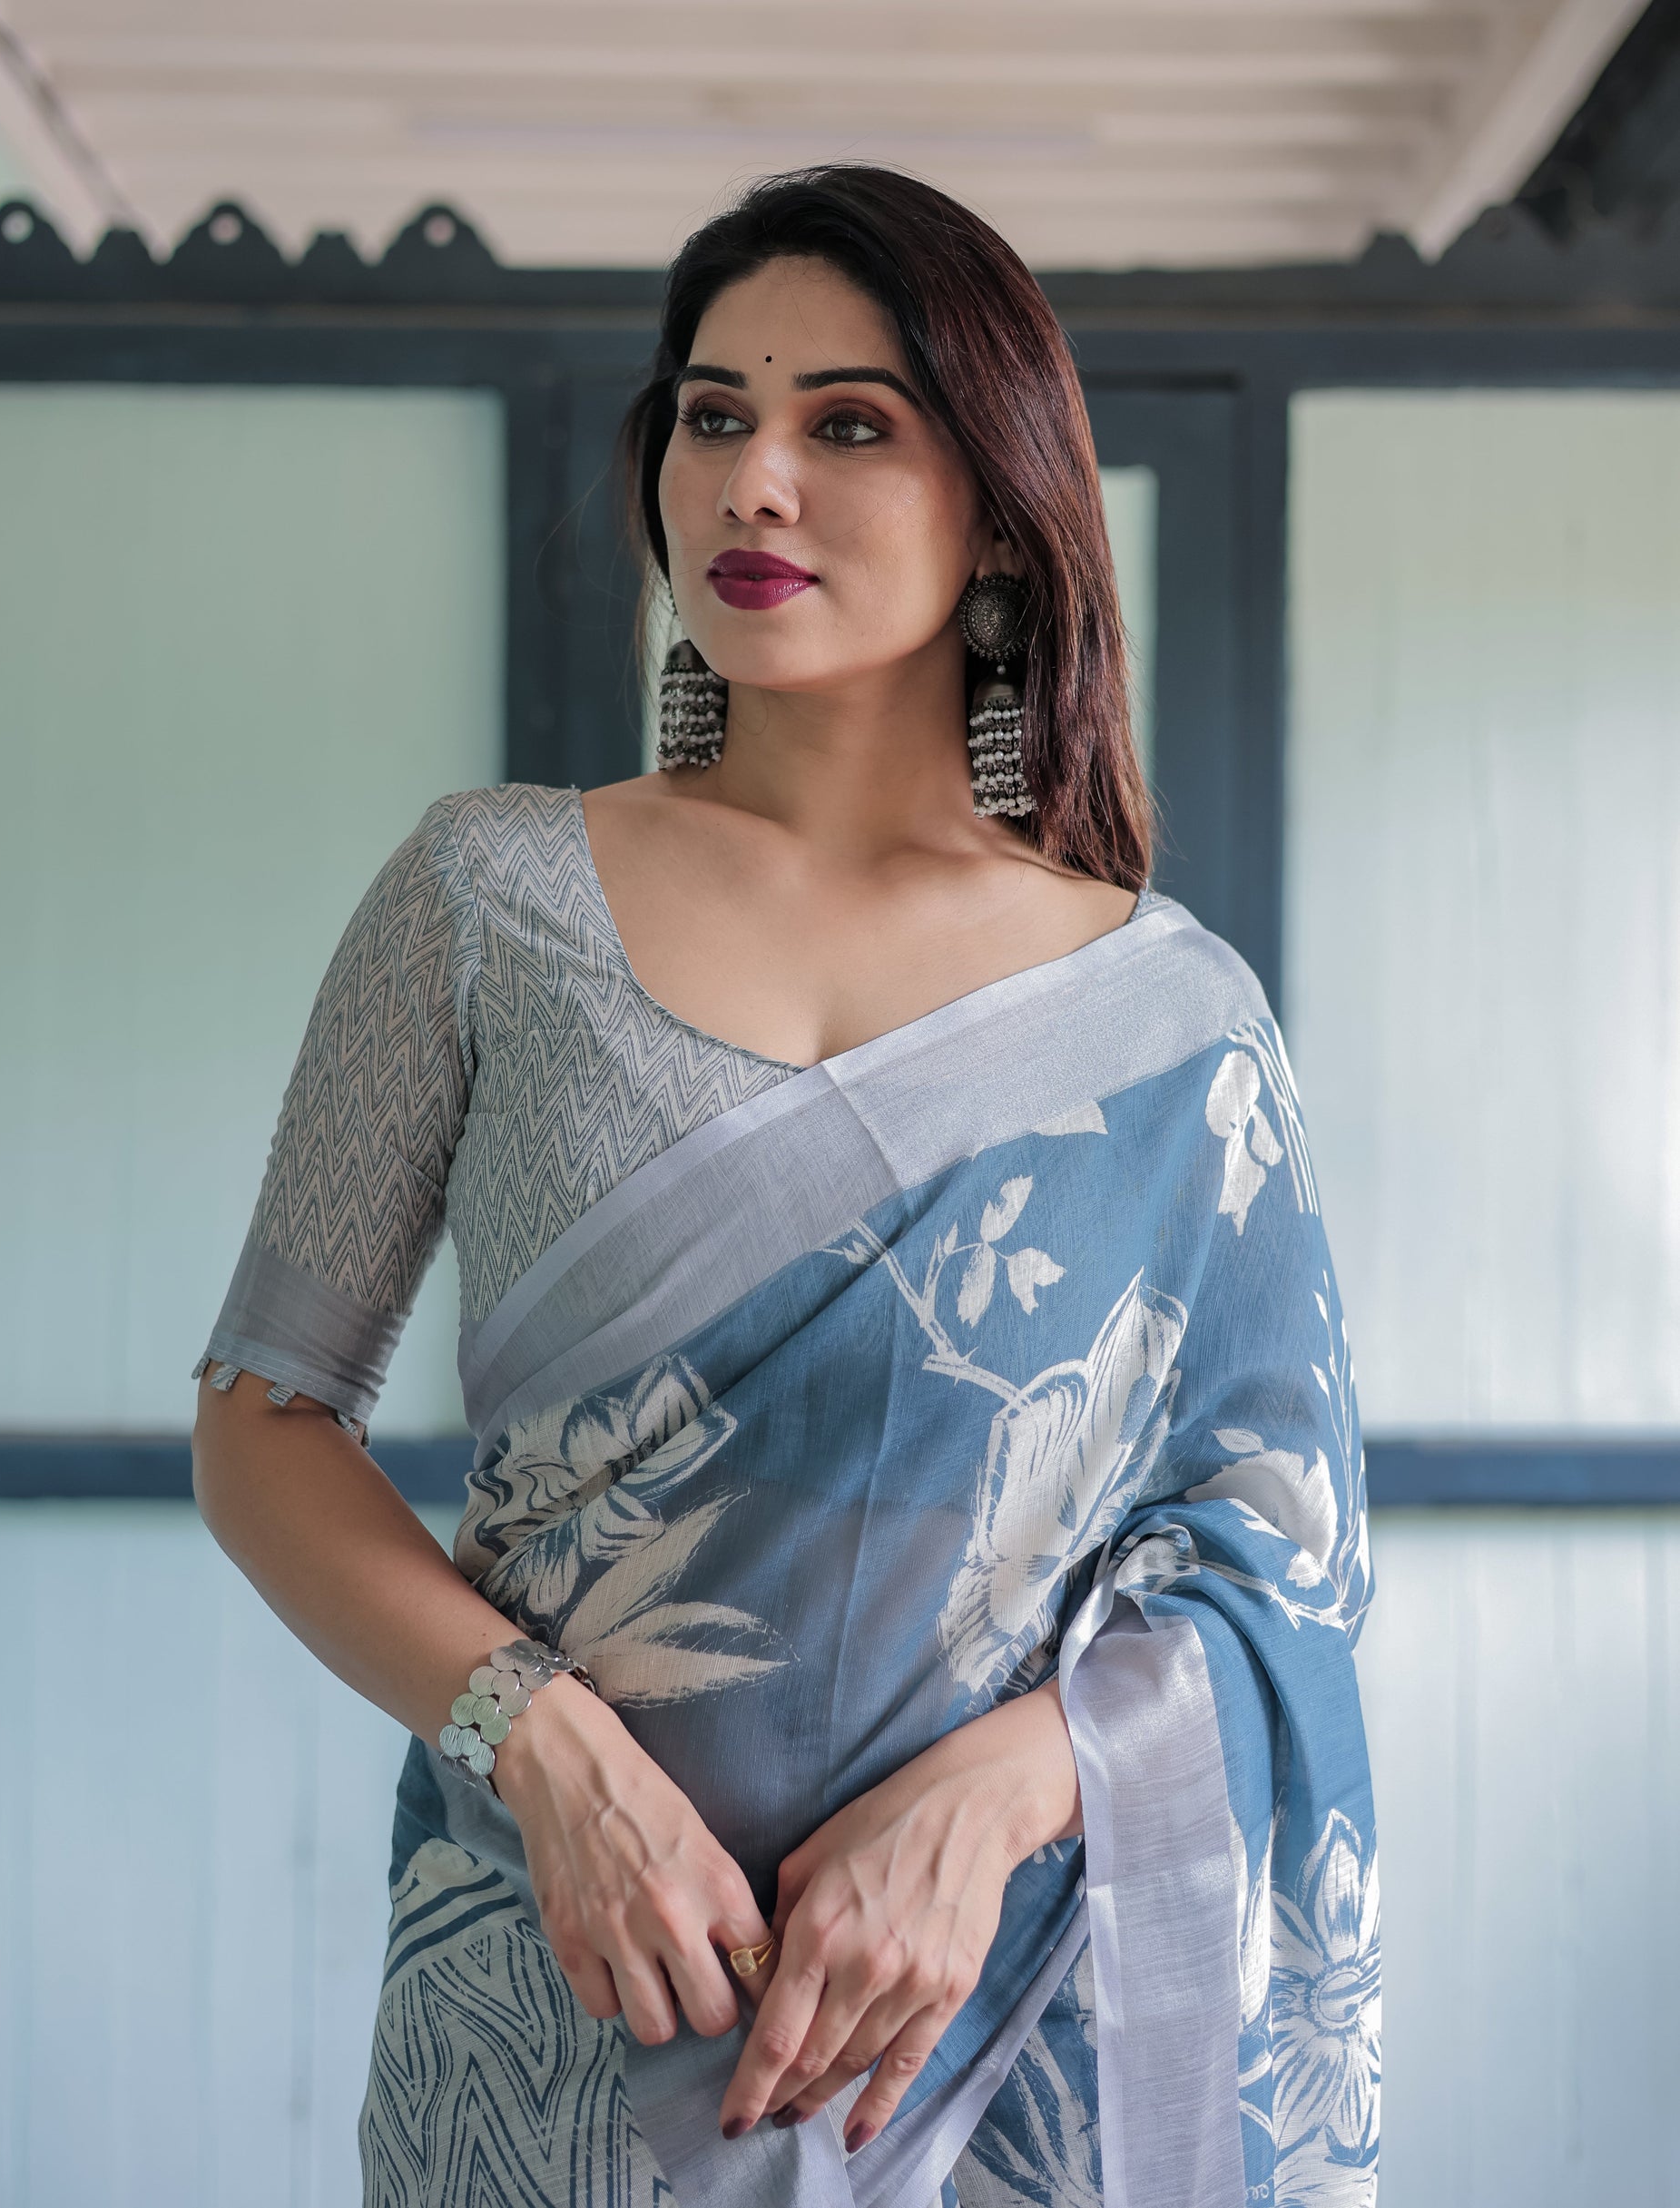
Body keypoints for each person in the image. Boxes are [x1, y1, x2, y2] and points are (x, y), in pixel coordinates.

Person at [192, 165, 1379, 2208]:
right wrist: (539, 1744)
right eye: (712, 414)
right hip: (559, 2000)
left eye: (847, 422)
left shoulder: (1169, 1021)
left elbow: (1283, 1551)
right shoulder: (486, 900)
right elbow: (261, 1417)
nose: (753, 479)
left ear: (999, 507)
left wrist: (1000, 1794)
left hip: (1001, 2034)